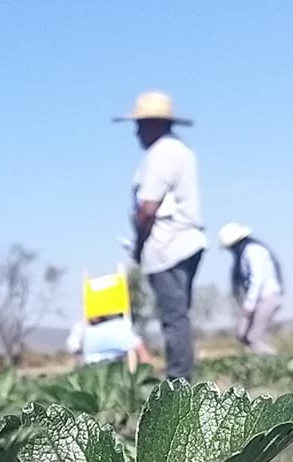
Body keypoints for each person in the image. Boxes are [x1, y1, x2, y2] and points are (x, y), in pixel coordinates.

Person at [120, 91, 205, 380]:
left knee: (174, 318)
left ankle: (178, 382)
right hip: (188, 240)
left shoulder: (160, 154)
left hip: (167, 247)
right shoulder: (181, 150)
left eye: (140, 124)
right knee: (180, 316)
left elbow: (147, 209)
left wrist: (138, 245)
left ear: (154, 124)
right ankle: (182, 377)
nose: (136, 131)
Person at [218, 222, 282, 355]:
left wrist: (249, 304)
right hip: (257, 299)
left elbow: (256, 279)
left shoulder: (254, 251)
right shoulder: (243, 255)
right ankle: (258, 359)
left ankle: (273, 359)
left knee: (254, 337)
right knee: (241, 334)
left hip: (267, 297)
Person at [66, 313, 155, 370]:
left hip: (116, 373)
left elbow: (142, 351)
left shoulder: (119, 326)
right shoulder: (80, 328)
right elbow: (73, 348)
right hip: (90, 373)